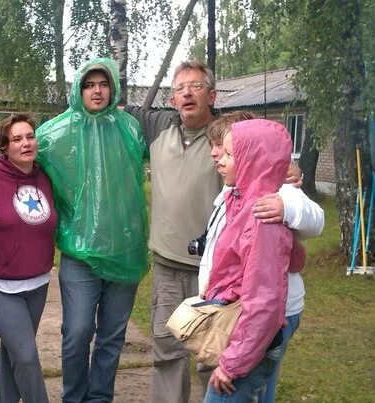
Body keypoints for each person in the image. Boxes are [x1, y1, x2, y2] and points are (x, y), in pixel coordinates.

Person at [36, 58, 149, 402]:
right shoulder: (57, 132)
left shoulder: (129, 127)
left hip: (124, 251)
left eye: (103, 84)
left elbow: (169, 154)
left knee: (113, 335)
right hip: (80, 254)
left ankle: (99, 398)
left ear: (112, 88)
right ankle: (74, 397)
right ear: (78, 90)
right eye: (89, 84)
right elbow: (21, 154)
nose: (97, 90)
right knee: (77, 332)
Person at [200, 111, 324, 402]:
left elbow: (264, 303)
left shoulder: (267, 208)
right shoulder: (238, 197)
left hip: (254, 330)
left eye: (228, 151)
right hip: (244, 324)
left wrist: (232, 365)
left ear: (250, 157)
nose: (219, 157)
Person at [124, 60, 222, 403]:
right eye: (180, 89)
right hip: (167, 265)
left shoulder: (227, 135)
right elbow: (112, 107)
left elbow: (269, 157)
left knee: (213, 357)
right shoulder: (157, 125)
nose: (187, 94)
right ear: (171, 100)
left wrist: (290, 173)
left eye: (195, 86)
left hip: (216, 271)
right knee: (167, 353)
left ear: (211, 95)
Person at [0, 112, 57, 403]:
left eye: (30, 136)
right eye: (17, 139)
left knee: (12, 354)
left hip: (39, 283)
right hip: (2, 287)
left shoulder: (46, 175)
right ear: (5, 146)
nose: (26, 143)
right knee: (26, 356)